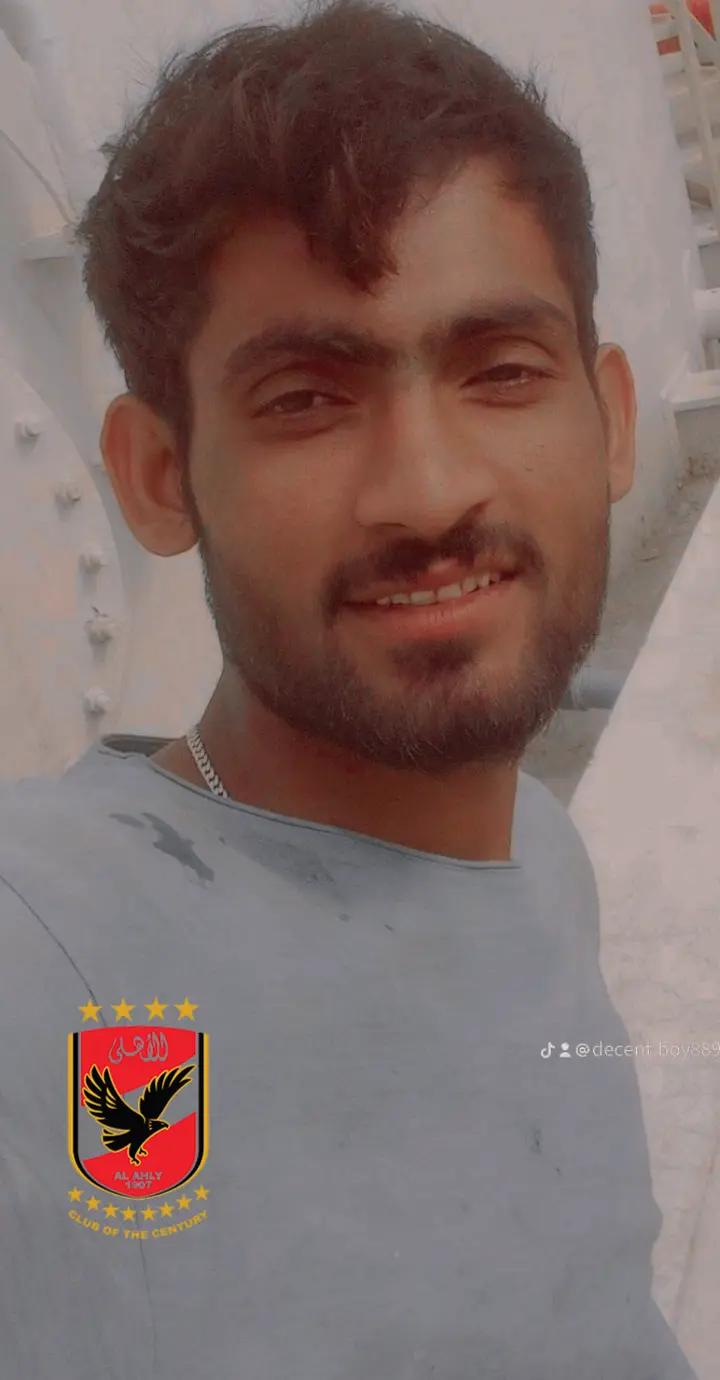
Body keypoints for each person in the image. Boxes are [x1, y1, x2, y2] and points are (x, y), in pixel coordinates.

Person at [0, 1, 698, 1377]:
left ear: (612, 419)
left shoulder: (543, 857)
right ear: (157, 476)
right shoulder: (51, 951)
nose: (429, 491)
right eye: (306, 400)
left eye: (502, 372)